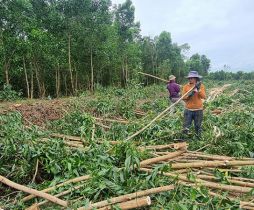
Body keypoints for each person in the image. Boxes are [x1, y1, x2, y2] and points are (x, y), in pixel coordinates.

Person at [182, 71, 206, 138]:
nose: (190, 79)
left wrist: (198, 90)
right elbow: (183, 98)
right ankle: (184, 140)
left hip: (198, 110)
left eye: (192, 78)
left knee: (198, 126)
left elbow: (204, 97)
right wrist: (189, 95)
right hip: (188, 109)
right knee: (186, 126)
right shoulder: (186, 87)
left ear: (196, 78)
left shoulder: (201, 86)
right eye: (189, 78)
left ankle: (198, 139)